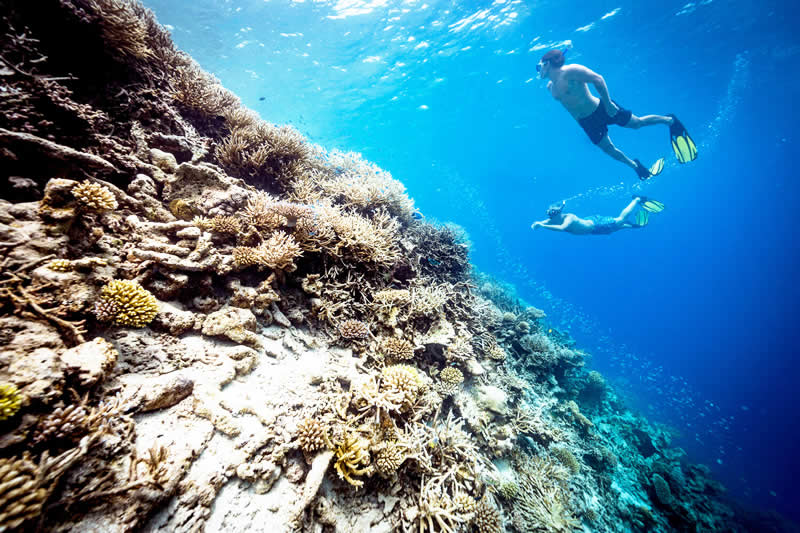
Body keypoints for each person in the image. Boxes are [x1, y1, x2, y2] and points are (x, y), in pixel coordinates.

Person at [537, 48, 697, 179]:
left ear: (548, 64)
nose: (538, 72)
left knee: (637, 124)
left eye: (539, 67)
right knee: (608, 149)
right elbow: (570, 108)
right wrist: (583, 126)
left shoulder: (571, 71)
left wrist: (608, 104)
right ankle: (636, 166)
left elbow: (598, 79)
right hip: (586, 122)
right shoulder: (550, 88)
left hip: (601, 108)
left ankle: (670, 120)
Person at [531, 196, 665, 236]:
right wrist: (537, 223)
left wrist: (541, 225)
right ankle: (631, 226)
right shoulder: (552, 219)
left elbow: (561, 228)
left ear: (558, 212)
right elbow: (543, 222)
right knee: (613, 229)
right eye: (550, 215)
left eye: (552, 214)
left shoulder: (568, 218)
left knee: (619, 220)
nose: (550, 217)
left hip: (595, 224)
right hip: (593, 229)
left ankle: (636, 199)